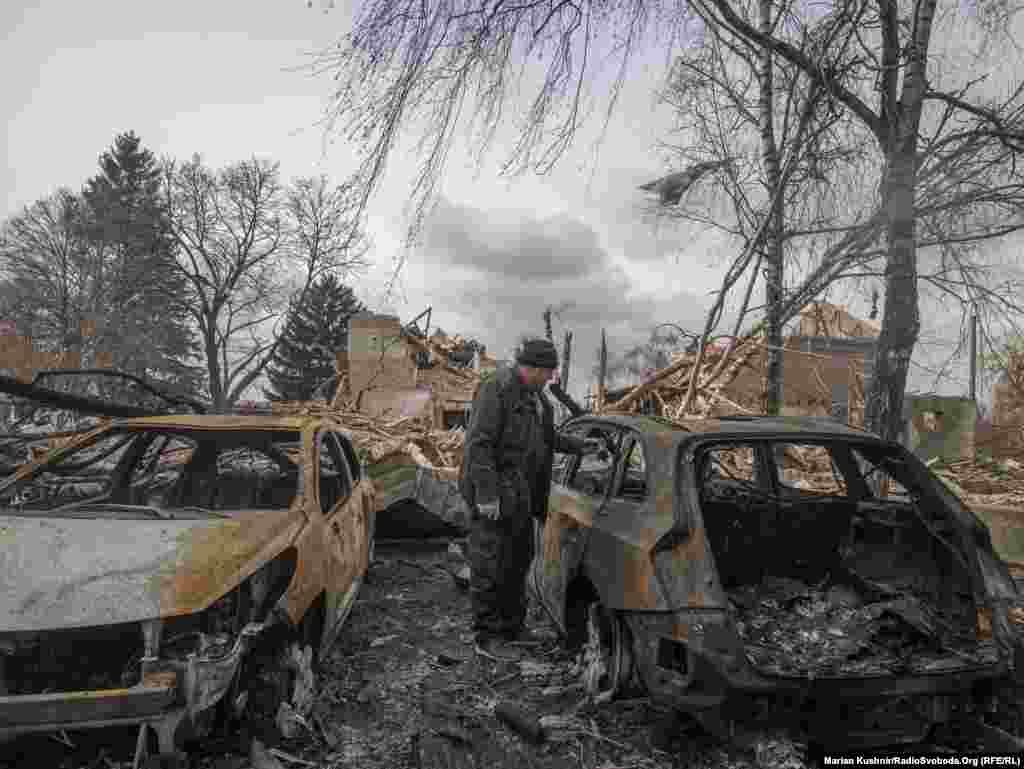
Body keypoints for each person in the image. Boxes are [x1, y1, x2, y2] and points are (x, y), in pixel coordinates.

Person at [458, 337, 599, 660]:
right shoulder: (497, 389)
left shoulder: (540, 400)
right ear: (531, 368)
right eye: (548, 373)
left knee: (517, 563)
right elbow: (478, 445)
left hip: (522, 495)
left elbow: (548, 439)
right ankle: (487, 636)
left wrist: (581, 446)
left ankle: (513, 627)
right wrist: (487, 495)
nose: (551, 379)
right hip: (494, 495)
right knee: (489, 565)